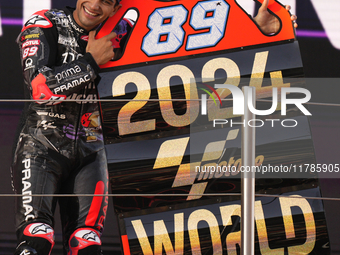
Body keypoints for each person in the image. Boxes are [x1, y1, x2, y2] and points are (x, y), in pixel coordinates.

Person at [11, 0, 297, 254]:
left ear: (117, 7)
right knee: (37, 239)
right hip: (40, 147)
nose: (95, 6)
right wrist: (91, 61)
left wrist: (260, 32)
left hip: (93, 153)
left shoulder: (127, 32)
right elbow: (40, 89)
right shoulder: (44, 22)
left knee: (86, 245)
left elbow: (200, 59)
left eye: (107, 1)